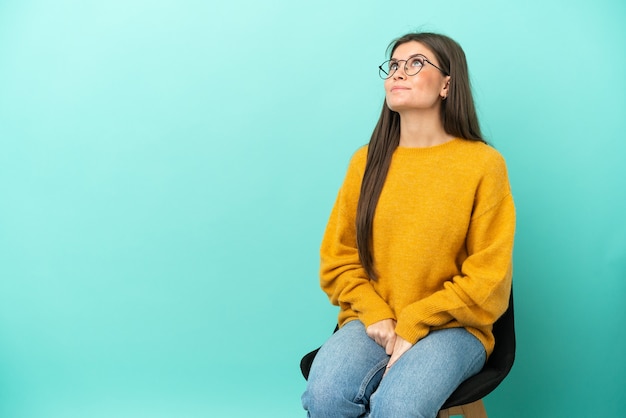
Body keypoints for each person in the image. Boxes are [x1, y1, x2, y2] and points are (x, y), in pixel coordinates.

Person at [301, 32, 516, 418]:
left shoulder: (483, 165)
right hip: (374, 320)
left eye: (416, 63)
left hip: (454, 327)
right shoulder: (365, 162)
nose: (399, 73)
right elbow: (338, 260)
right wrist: (378, 314)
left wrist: (415, 321)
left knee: (399, 406)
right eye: (394, 65)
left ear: (447, 84)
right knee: (325, 396)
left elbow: (489, 280)